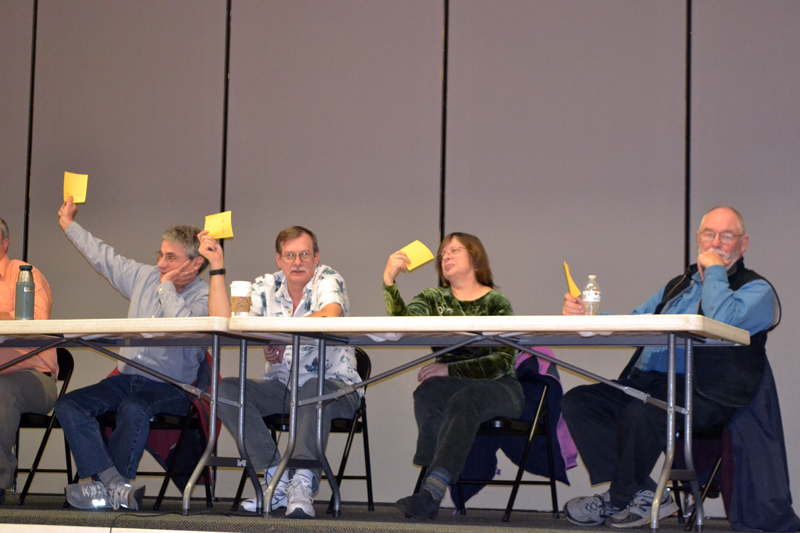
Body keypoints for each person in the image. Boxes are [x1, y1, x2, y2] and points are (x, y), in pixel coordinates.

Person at [560, 206, 779, 528]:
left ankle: (618, 498)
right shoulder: (680, 285)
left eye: (726, 235)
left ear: (743, 244)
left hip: (706, 391)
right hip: (650, 382)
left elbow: (721, 320)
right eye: (709, 234)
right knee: (579, 401)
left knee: (643, 412)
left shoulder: (756, 290)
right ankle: (645, 494)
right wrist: (588, 321)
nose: (716, 242)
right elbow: (637, 322)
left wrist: (715, 272)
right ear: (698, 238)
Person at [54, 196, 209, 511]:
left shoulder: (205, 295)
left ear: (196, 263)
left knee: (135, 408)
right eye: (160, 254)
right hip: (127, 378)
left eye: (171, 257)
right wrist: (69, 225)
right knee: (69, 404)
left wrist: (166, 288)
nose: (161, 264)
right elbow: (103, 257)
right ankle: (114, 485)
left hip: (172, 387)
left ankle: (103, 489)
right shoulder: (144, 277)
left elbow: (180, 327)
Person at [198, 226, 360, 519]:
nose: (297, 262)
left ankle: (302, 482)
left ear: (316, 257)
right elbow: (223, 320)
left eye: (304, 254)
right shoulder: (264, 285)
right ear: (278, 259)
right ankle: (276, 477)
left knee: (313, 388)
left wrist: (278, 337)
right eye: (290, 255)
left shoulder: (329, 279)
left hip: (336, 390)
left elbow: (329, 314)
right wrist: (217, 267)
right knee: (223, 391)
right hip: (282, 388)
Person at [383, 232, 524, 520]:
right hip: (452, 385)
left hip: (500, 387)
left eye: (455, 250)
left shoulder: (497, 302)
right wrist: (390, 283)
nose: (445, 256)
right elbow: (403, 328)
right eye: (443, 253)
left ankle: (431, 490)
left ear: (475, 258)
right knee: (428, 391)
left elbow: (501, 361)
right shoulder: (433, 299)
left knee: (465, 398)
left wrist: (450, 369)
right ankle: (434, 483)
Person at [0, 217, 58, 506]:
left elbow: (33, 322)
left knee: (1, 391)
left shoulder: (24, 274)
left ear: (4, 243)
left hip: (33, 377)